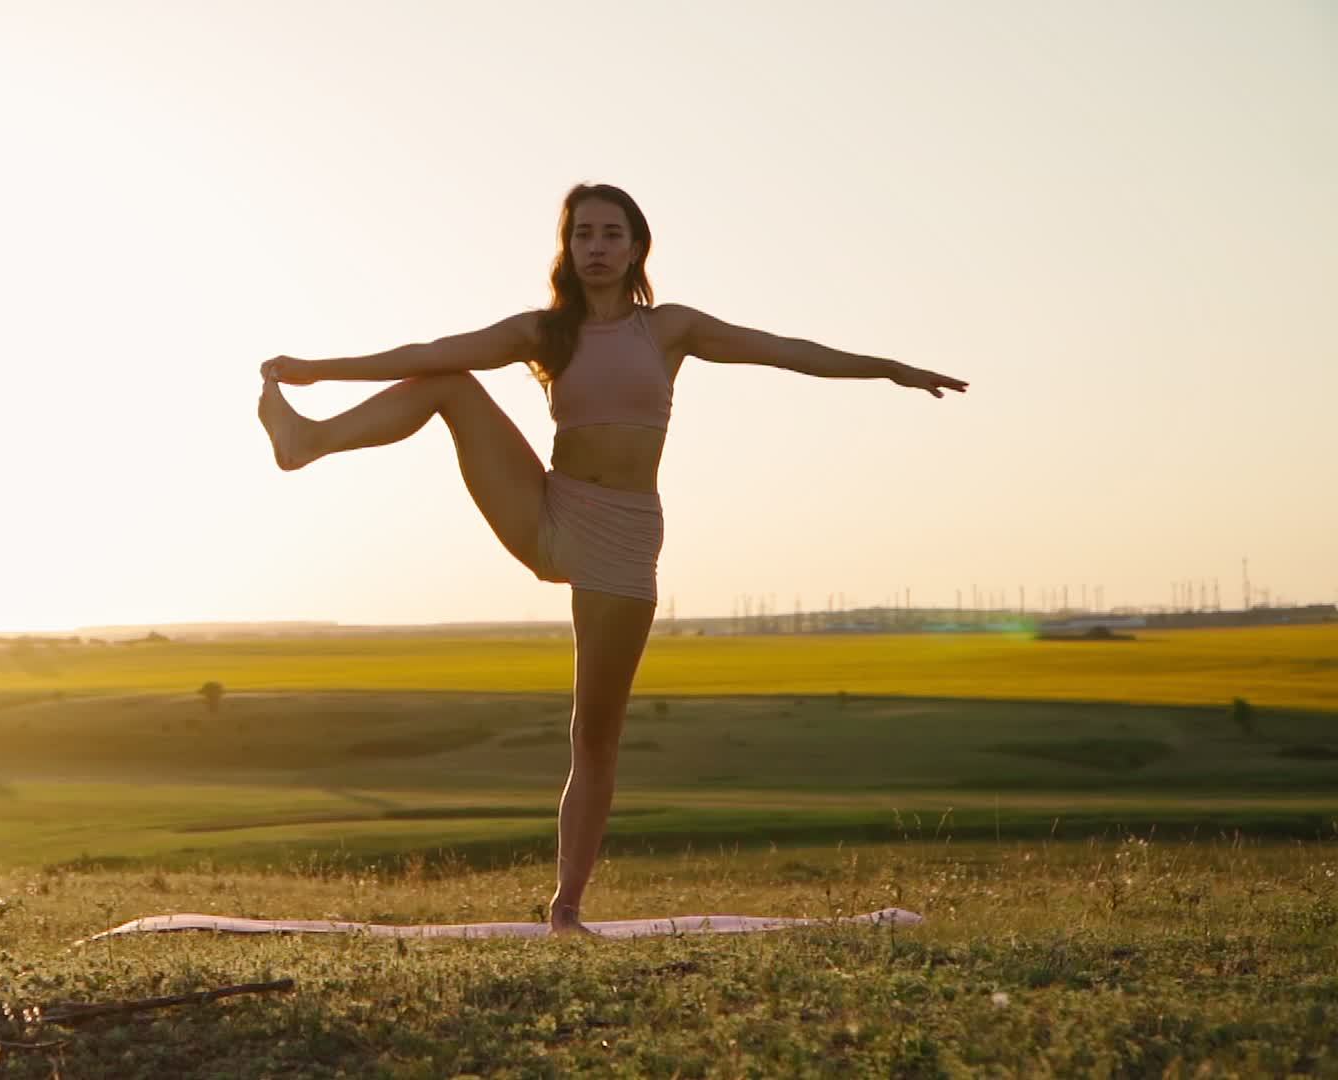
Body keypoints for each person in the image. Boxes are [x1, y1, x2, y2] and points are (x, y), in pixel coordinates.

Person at [256, 182, 968, 935]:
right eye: (583, 234)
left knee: (593, 734)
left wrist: (889, 367)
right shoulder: (544, 332)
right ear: (567, 248)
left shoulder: (670, 330)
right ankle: (306, 441)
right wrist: (317, 367)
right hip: (547, 507)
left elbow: (788, 353)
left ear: (636, 247)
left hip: (624, 534)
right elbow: (426, 354)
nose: (596, 247)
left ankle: (567, 906)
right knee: (448, 385)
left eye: (611, 234)